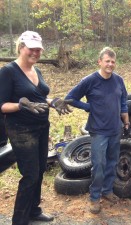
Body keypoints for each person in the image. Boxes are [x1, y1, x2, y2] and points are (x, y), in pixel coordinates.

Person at [0, 30, 72, 225]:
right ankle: (19, 220)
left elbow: (38, 98)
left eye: (39, 49)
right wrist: (21, 105)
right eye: (32, 49)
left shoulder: (36, 71)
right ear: (21, 48)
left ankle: (33, 210)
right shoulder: (8, 72)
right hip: (21, 130)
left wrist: (52, 101)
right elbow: (2, 105)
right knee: (30, 174)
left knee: (40, 170)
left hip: (41, 127)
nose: (36, 53)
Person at [65, 47, 130, 214]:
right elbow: (70, 98)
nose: (110, 64)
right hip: (98, 130)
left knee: (112, 162)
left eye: (113, 62)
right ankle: (94, 197)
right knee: (98, 164)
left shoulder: (118, 80)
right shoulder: (90, 80)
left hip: (115, 128)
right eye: (107, 61)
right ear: (99, 62)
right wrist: (88, 107)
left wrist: (126, 121)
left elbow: (123, 101)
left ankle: (107, 191)